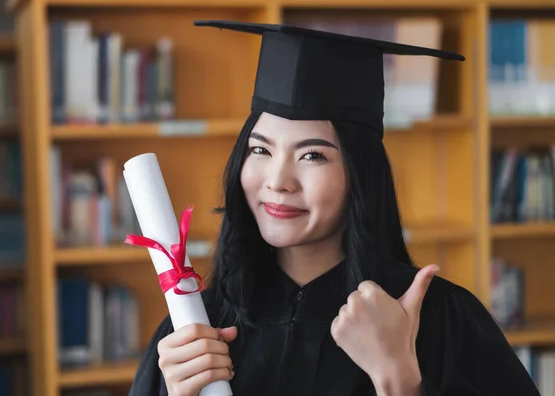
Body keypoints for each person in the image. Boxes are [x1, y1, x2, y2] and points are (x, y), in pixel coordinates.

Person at [128, 20, 540, 396]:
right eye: (260, 149)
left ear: (360, 175)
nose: (278, 180)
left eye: (313, 156)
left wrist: (399, 378)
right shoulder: (197, 329)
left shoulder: (441, 320)